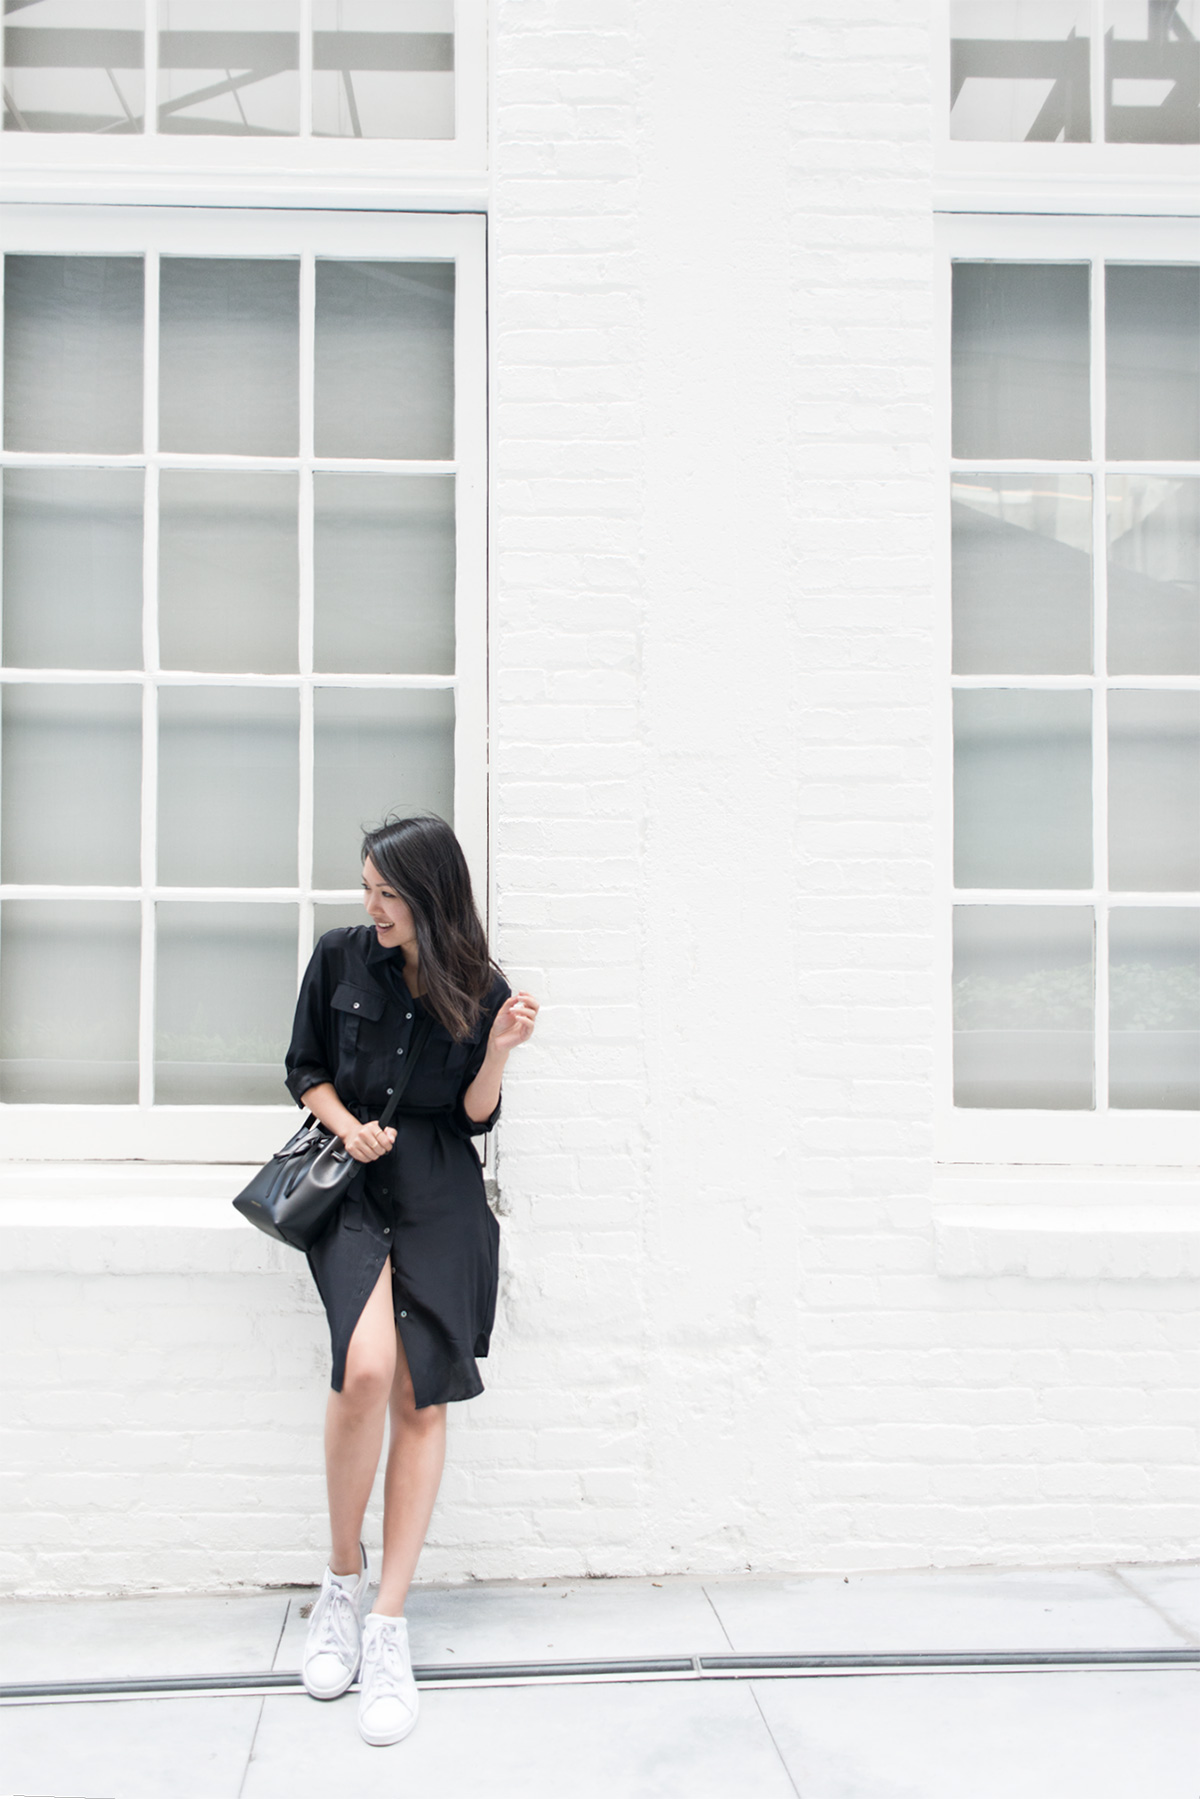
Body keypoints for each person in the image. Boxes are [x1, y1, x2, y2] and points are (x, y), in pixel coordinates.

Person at [283, 813, 538, 1747]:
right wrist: (345, 1125)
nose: (372, 907)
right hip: (350, 1182)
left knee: (422, 1398)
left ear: (429, 895)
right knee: (363, 1370)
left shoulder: (480, 984)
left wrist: (501, 1046)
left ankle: (387, 1622)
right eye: (366, 889)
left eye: (387, 893)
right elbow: (304, 1069)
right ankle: (340, 1583)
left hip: (437, 1188)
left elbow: (474, 1116)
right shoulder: (339, 958)